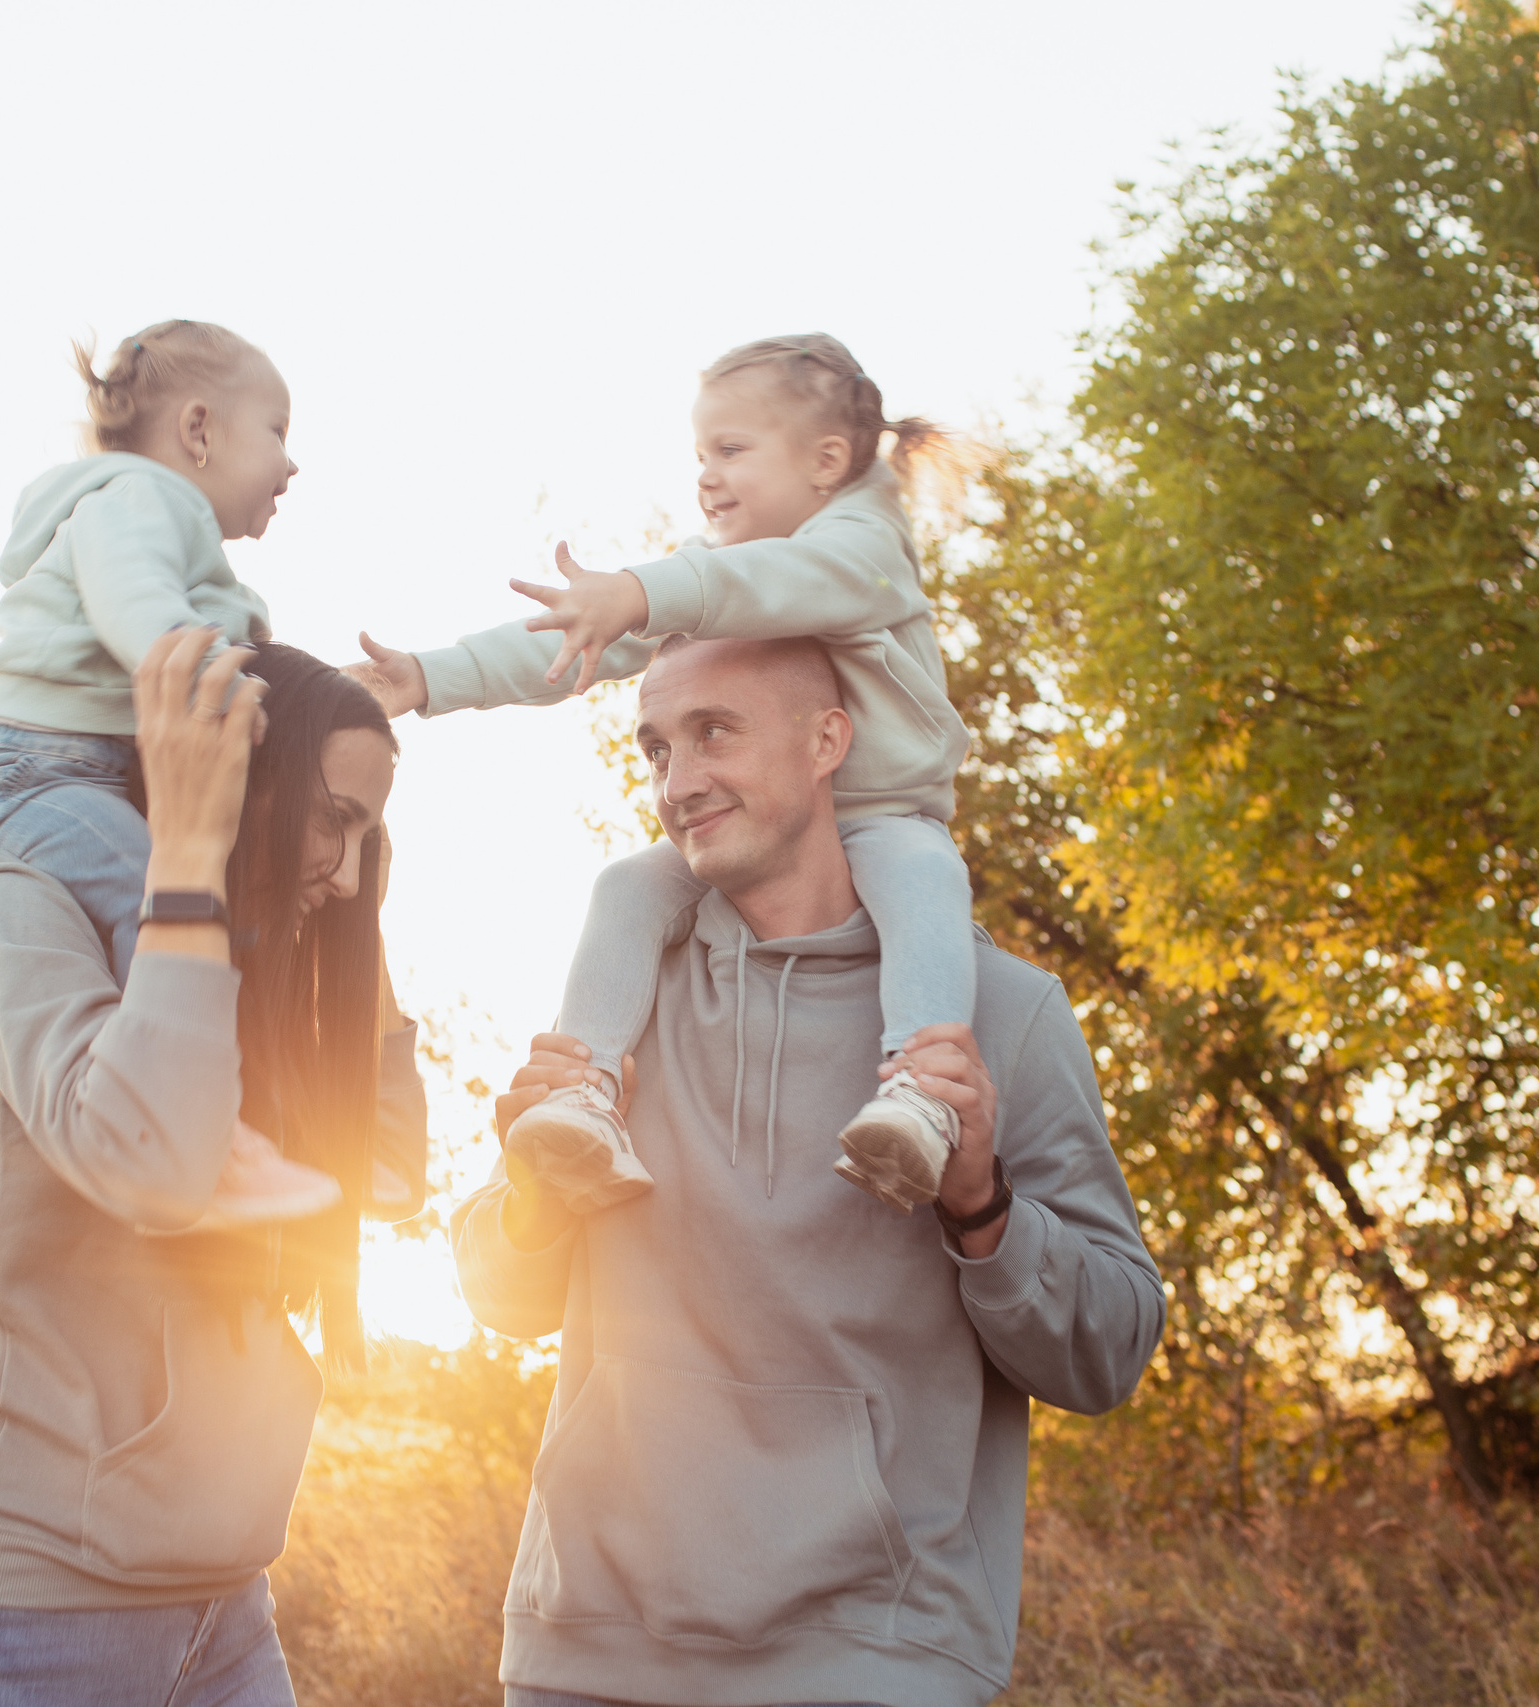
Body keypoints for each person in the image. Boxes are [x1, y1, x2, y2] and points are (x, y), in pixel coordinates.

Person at [452, 635, 1165, 1707]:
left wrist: (980, 1206)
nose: (677, 782)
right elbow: (501, 1300)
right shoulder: (619, 997)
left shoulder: (1000, 1015)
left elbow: (1108, 1350)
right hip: (589, 1652)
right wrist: (531, 1198)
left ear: (828, 740)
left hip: (877, 1659)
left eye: (715, 732)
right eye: (657, 748)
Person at [0, 629, 421, 1707]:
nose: (349, 873)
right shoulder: (5, 906)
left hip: (226, 1607)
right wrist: (193, 856)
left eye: (371, 838)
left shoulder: (232, 971)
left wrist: (356, 938)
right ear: (233, 777)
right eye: (331, 819)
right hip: (16, 1614)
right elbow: (152, 1165)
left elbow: (387, 1173)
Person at [348, 334, 978, 1216]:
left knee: (925, 876)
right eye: (699, 455)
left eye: (732, 449)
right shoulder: (707, 575)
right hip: (753, 823)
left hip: (884, 814)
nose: (707, 476)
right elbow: (576, 642)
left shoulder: (865, 547)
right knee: (629, 887)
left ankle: (922, 1091)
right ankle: (585, 1091)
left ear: (826, 461)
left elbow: (770, 581)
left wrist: (642, 592)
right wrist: (427, 677)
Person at [0, 318, 333, 1223]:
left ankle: (219, 1114)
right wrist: (212, 674)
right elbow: (134, 602)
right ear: (198, 430)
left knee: (188, 912)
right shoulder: (137, 499)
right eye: (277, 430)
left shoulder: (169, 527)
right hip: (31, 775)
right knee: (153, 896)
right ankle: (208, 1140)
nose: (292, 462)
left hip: (64, 775)